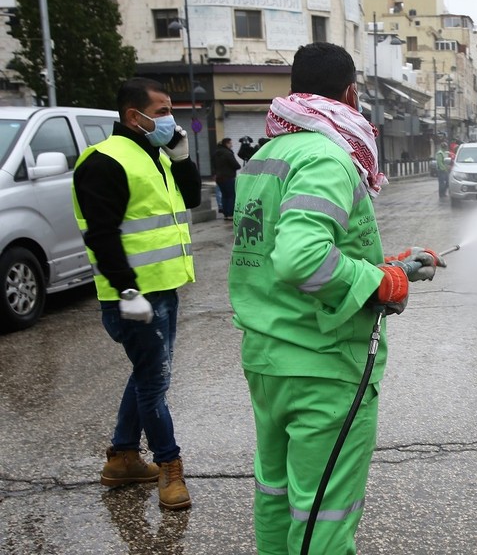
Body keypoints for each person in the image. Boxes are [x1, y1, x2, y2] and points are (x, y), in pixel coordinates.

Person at [228, 42, 445, 554]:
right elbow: (301, 258)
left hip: (268, 358)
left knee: (278, 494)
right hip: (321, 367)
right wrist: (380, 283)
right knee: (324, 510)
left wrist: (389, 265)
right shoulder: (328, 157)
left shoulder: (269, 155)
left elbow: (296, 251)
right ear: (350, 93)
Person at [71, 77, 199, 511]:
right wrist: (127, 289)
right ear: (134, 116)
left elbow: (193, 199)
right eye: (162, 111)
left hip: (163, 289)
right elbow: (101, 235)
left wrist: (181, 159)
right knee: (154, 382)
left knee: (148, 375)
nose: (170, 120)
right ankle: (169, 467)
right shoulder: (105, 161)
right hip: (134, 297)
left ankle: (123, 456)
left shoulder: (154, 156)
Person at [213, 137, 241, 219]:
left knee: (224, 195)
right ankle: (230, 214)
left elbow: (213, 165)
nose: (232, 145)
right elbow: (235, 165)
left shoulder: (216, 153)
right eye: (230, 143)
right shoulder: (227, 153)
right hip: (228, 177)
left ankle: (225, 214)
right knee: (231, 195)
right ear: (226, 144)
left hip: (219, 178)